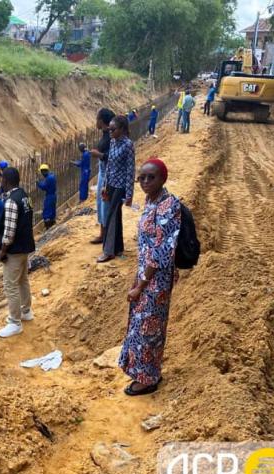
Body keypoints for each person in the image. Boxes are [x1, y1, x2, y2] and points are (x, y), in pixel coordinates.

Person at [118, 158, 181, 395]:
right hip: (145, 274)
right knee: (141, 323)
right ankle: (143, 371)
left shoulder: (168, 206)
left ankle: (148, 379)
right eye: (141, 178)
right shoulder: (151, 200)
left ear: (162, 178)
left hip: (156, 279)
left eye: (150, 177)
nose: (145, 182)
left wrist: (140, 286)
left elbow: (160, 251)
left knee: (148, 327)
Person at [0, 167, 36, 338]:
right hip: (25, 245)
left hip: (15, 249)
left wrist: (2, 250)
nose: (1, 182)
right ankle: (26, 311)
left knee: (11, 285)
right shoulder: (25, 196)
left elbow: (9, 231)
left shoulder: (12, 201)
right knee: (22, 280)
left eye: (2, 179)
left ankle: (15, 322)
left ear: (6, 181)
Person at [97, 115, 135, 263]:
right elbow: (110, 166)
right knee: (115, 215)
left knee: (110, 216)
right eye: (109, 129)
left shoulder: (128, 145)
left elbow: (130, 170)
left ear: (122, 129)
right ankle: (118, 248)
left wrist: (129, 194)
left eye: (113, 129)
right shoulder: (113, 142)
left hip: (120, 186)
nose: (110, 131)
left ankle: (108, 251)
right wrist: (105, 186)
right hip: (111, 184)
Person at [89, 108, 115, 244]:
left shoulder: (111, 136)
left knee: (105, 203)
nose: (95, 121)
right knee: (100, 203)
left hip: (107, 173)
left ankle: (106, 235)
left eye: (97, 119)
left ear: (101, 121)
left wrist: (98, 154)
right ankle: (103, 233)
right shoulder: (106, 134)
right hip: (102, 171)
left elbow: (112, 156)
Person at [36, 163, 57, 229]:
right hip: (53, 195)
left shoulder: (49, 178)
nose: (41, 174)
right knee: (52, 210)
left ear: (44, 171)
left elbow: (44, 187)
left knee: (47, 211)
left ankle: (48, 226)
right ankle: (52, 223)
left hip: (49, 196)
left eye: (42, 172)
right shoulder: (52, 176)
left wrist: (38, 183)